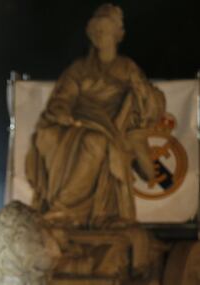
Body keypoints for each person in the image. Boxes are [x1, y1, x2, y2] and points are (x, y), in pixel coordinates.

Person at [26, 4, 166, 229]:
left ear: (117, 35)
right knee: (47, 136)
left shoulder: (127, 68)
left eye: (105, 31)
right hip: (77, 123)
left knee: (95, 142)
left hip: (108, 129)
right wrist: (61, 112)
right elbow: (63, 98)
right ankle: (60, 210)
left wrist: (141, 93)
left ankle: (63, 208)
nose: (100, 36)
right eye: (97, 31)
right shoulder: (79, 68)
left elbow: (148, 101)